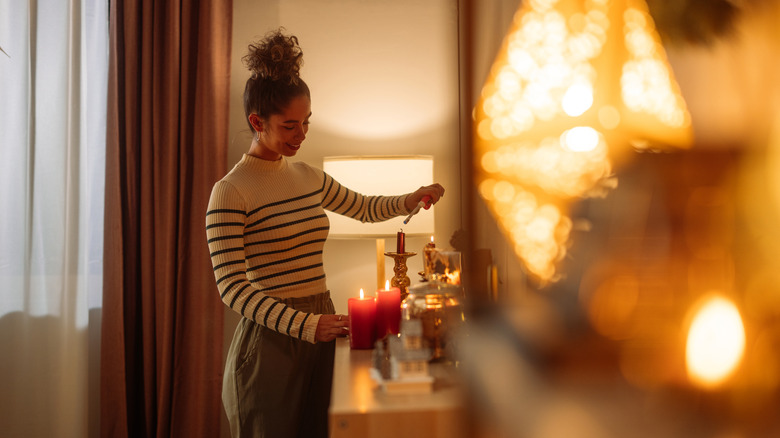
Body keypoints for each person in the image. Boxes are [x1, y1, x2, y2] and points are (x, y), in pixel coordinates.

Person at [205, 28, 445, 438]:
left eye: (307, 123)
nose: (301, 136)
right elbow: (231, 288)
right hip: (271, 343)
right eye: (290, 126)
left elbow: (365, 208)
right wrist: (306, 325)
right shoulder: (230, 191)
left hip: (322, 330)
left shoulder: (306, 176)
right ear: (256, 122)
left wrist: (412, 197)